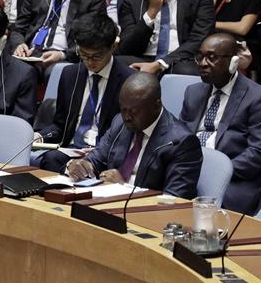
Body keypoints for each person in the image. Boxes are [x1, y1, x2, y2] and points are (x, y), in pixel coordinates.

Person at [179, 34, 261, 214]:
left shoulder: (258, 97)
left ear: (233, 62)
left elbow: (258, 153)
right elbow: (179, 137)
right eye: (200, 57)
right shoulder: (193, 92)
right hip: (188, 171)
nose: (203, 63)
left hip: (231, 180)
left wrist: (215, 171)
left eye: (212, 57)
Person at [66, 72, 202, 199]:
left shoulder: (181, 142)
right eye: (123, 109)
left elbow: (174, 200)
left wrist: (124, 188)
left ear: (156, 105)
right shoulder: (120, 123)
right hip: (105, 202)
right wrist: (82, 165)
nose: (127, 117)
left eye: (134, 111)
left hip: (144, 213)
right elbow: (97, 158)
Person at [35, 13, 133, 173]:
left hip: (105, 153)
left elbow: (128, 132)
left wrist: (97, 152)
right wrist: (40, 136)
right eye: (84, 55)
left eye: (96, 56)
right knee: (51, 159)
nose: (89, 62)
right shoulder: (70, 74)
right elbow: (60, 125)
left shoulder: (129, 81)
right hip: (72, 150)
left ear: (113, 47)